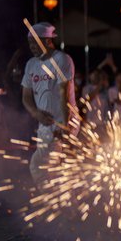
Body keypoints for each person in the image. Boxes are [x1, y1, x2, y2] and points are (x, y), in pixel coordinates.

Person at [21, 22, 78, 184]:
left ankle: (53, 205)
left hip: (62, 121)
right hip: (45, 124)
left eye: (35, 43)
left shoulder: (62, 59)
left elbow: (64, 93)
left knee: (38, 166)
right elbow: (25, 96)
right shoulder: (31, 64)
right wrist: (36, 113)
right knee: (53, 170)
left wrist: (64, 126)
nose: (31, 47)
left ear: (47, 41)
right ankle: (61, 204)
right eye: (30, 43)